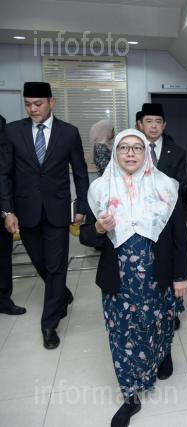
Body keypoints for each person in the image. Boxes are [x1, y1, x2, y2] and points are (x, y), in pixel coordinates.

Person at [79, 129, 187, 427]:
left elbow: (179, 236)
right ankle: (130, 396)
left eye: (137, 148)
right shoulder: (100, 190)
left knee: (160, 322)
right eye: (124, 148)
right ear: (115, 152)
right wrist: (99, 229)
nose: (130, 153)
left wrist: (181, 276)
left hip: (158, 273)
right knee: (122, 334)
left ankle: (163, 353)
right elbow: (86, 236)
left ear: (146, 154)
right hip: (118, 277)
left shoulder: (166, 187)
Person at [0, 82, 89, 349]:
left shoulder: (69, 133)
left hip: (57, 211)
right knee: (40, 262)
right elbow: (4, 174)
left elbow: (80, 172)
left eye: (38, 103)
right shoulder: (12, 131)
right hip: (25, 211)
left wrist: (82, 206)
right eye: (27, 104)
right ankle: (61, 294)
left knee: (56, 265)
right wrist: (7, 211)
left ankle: (49, 324)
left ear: (52, 102)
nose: (32, 109)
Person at [138, 102, 187, 329]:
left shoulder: (177, 151)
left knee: (170, 261)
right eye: (149, 121)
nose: (154, 126)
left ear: (164, 125)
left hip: (169, 216)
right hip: (140, 216)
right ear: (140, 124)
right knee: (147, 264)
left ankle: (172, 309)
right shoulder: (132, 149)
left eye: (158, 122)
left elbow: (180, 183)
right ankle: (148, 306)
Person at [0, 113, 26, 316]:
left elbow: (5, 172)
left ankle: (3, 300)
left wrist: (8, 210)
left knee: (2, 257)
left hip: (3, 207)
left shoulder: (2, 126)